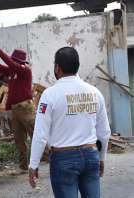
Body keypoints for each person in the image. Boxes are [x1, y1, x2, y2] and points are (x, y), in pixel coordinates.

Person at [29, 47, 111, 198]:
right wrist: (101, 158)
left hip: (63, 159)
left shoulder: (49, 95)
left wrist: (33, 165)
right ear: (77, 66)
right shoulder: (95, 92)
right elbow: (104, 133)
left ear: (57, 68)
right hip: (91, 155)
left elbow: (40, 135)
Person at [0, 41, 35, 171]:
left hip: (25, 108)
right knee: (19, 139)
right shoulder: (13, 71)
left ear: (19, 61)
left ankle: (49, 159)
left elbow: (9, 63)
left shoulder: (24, 70)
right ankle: (24, 166)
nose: (11, 61)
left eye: (13, 60)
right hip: (15, 109)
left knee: (35, 134)